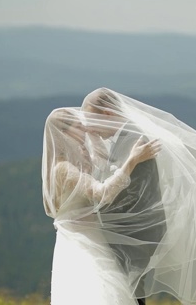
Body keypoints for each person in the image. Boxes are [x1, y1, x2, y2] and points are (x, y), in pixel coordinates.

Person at [43, 89, 196, 305]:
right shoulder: (67, 166)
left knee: (123, 291)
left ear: (106, 113)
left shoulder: (133, 137)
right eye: (83, 126)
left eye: (92, 123)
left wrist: (106, 147)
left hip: (133, 231)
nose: (89, 129)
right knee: (112, 291)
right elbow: (102, 187)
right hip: (97, 237)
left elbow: (109, 178)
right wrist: (126, 159)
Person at [42, 108, 161, 304]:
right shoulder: (62, 168)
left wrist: (96, 138)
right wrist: (133, 159)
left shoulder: (77, 161)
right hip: (81, 242)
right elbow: (102, 193)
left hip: (94, 237)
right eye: (80, 127)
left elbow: (103, 165)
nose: (86, 130)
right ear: (64, 134)